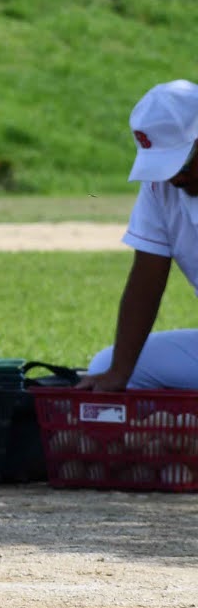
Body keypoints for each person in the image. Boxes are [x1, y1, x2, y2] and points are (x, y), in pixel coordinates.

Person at [82, 79, 198, 391]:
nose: (174, 178)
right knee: (106, 365)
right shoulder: (160, 187)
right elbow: (146, 278)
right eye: (163, 167)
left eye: (182, 164)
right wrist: (119, 373)